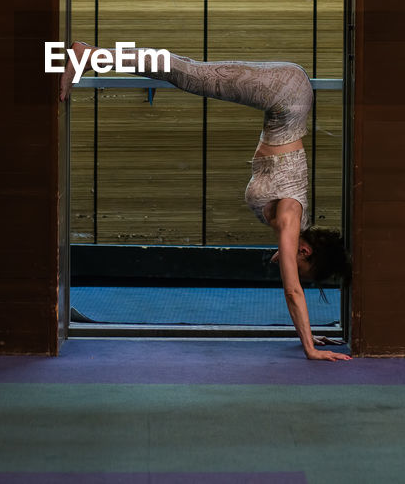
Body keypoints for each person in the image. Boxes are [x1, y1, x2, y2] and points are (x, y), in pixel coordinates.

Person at [58, 41, 352, 362]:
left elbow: (290, 265)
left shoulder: (296, 228)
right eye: (300, 268)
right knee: (189, 74)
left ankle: (88, 55)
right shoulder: (290, 215)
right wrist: (310, 349)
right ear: (305, 250)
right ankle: (90, 54)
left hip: (287, 95)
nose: (288, 269)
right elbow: (292, 291)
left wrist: (307, 332)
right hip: (286, 95)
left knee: (190, 71)